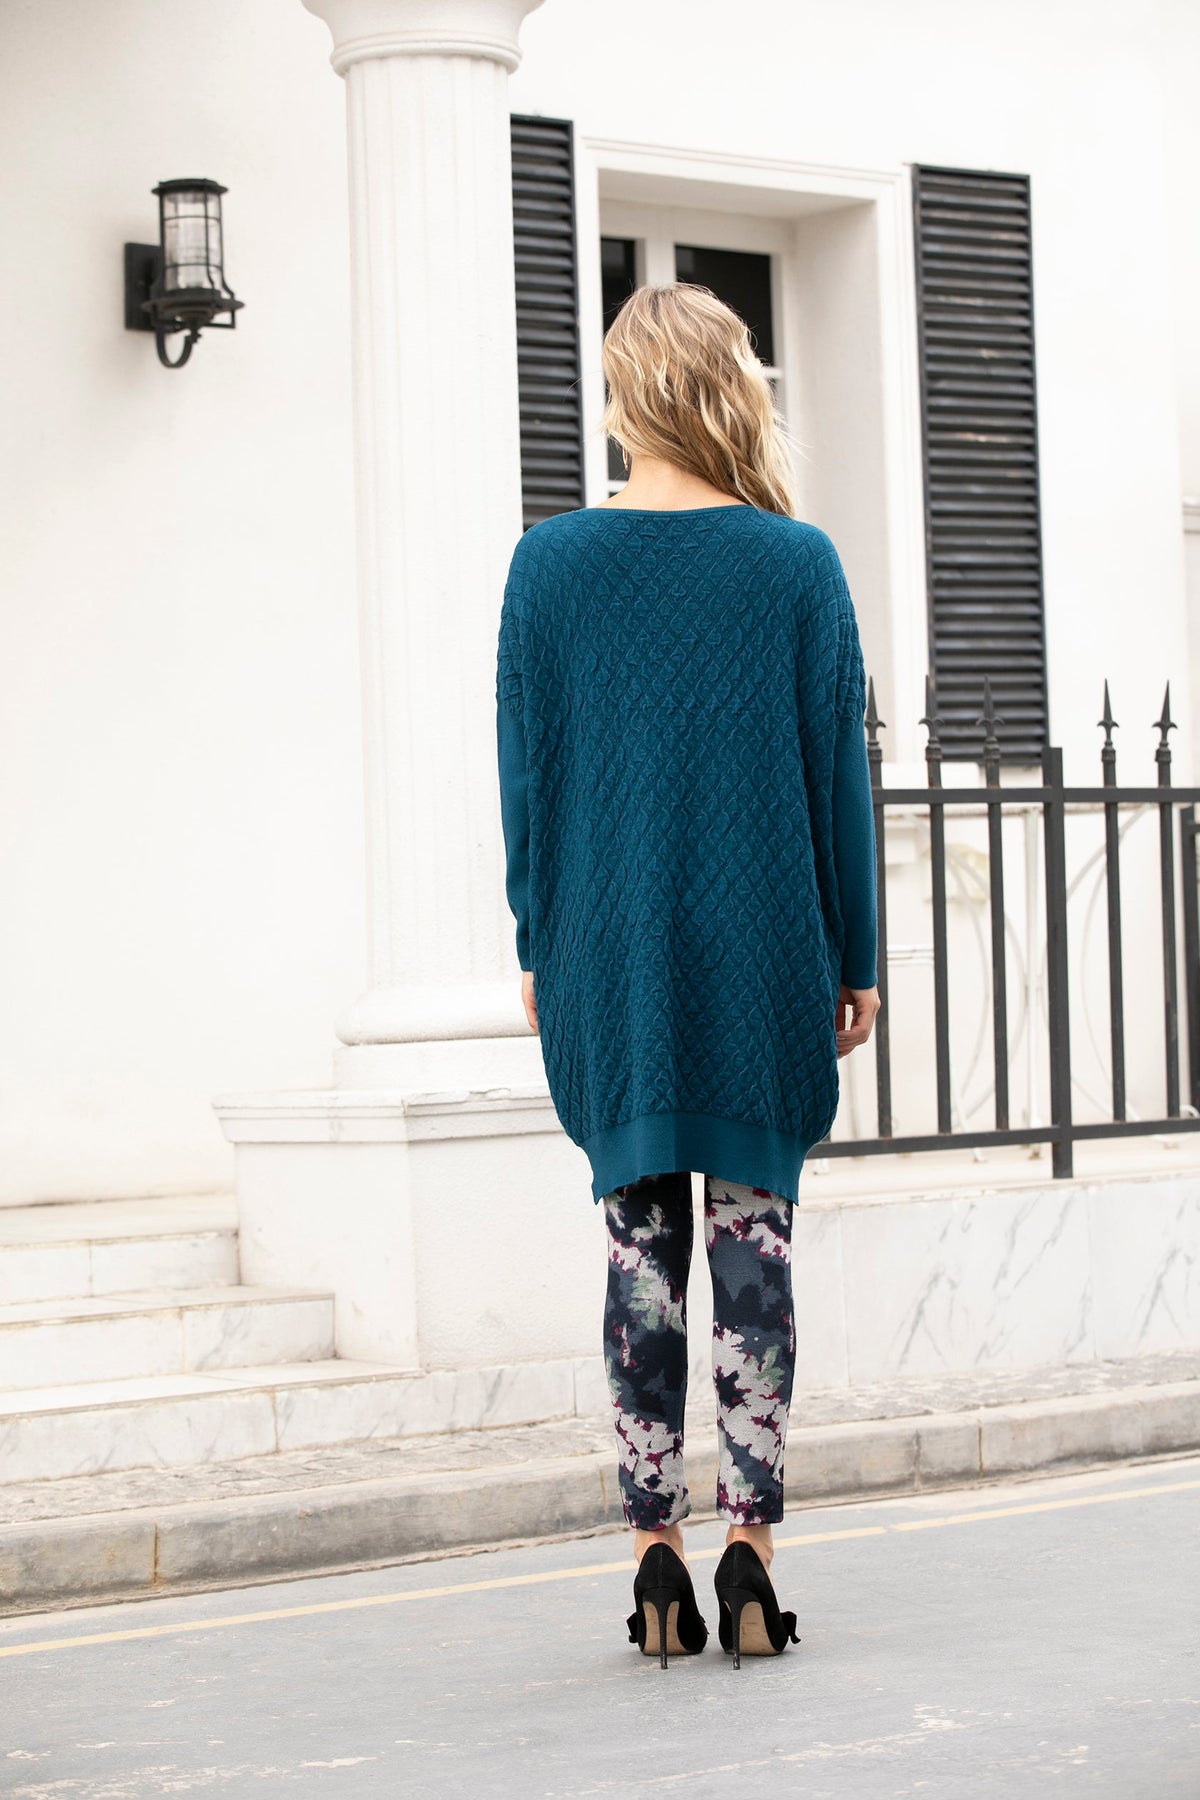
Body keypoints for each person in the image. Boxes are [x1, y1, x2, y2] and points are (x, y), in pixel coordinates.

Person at [495, 282, 880, 1667]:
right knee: (753, 1250)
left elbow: (528, 781)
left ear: (624, 397)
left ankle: (652, 1550)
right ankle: (751, 1553)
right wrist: (855, 957)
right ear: (733, 388)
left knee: (640, 1255)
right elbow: (838, 778)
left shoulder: (547, 566)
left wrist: (538, 941)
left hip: (613, 947)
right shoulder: (797, 565)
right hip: (766, 944)